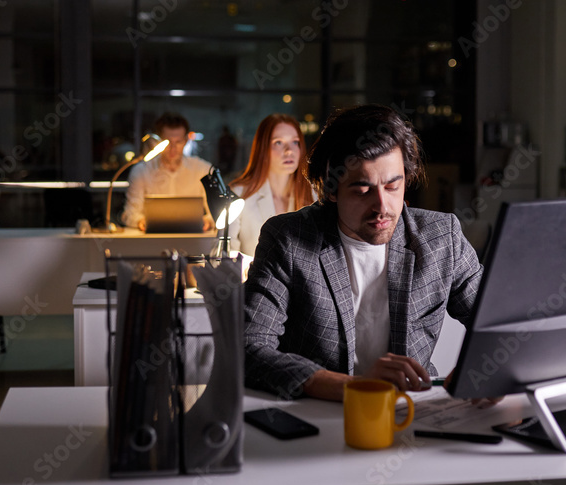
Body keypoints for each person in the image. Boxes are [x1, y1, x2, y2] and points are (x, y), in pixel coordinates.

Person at [244, 104, 493, 405]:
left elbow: (499, 322)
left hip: (414, 411)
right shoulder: (289, 239)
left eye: (393, 186)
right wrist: (355, 387)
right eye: (362, 190)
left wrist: (486, 367)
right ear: (330, 189)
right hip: (321, 415)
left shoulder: (441, 237)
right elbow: (249, 347)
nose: (382, 207)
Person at [228, 114, 315, 257]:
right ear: (263, 148)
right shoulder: (240, 194)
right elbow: (225, 253)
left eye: (295, 142)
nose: (289, 151)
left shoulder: (315, 195)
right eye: (278, 142)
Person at [120, 112, 215, 232]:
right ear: (158, 142)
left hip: (193, 240)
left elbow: (216, 212)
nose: (173, 148)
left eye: (178, 142)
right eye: (167, 142)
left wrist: (207, 221)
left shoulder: (202, 169)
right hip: (152, 240)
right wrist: (140, 221)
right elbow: (130, 213)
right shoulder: (141, 171)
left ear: (186, 141)